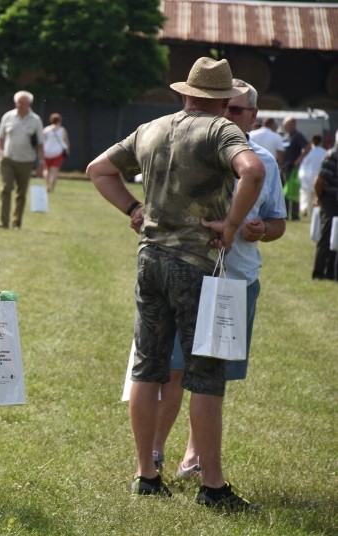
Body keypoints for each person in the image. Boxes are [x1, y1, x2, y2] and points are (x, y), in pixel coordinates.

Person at [86, 57, 264, 511]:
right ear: (225, 101)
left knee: (148, 366)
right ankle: (213, 486)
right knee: (205, 373)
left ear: (184, 94)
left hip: (151, 259)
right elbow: (253, 171)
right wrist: (231, 223)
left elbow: (97, 169)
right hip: (196, 263)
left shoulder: (151, 128)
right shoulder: (224, 131)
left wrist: (132, 209)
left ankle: (146, 474)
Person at [151, 79, 286, 479]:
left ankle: (193, 458)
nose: (227, 116)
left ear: (253, 117)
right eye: (224, 107)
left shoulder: (264, 161)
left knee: (210, 375)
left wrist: (263, 229)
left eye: (237, 111)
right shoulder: (194, 150)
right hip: (186, 275)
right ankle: (154, 454)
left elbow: (279, 222)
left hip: (235, 280)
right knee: (172, 370)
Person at [0, 90, 44, 229]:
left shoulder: (35, 120)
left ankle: (17, 222)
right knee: (6, 188)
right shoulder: (8, 116)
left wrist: (41, 162)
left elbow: (40, 144)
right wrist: (1, 152)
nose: (19, 105)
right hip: (7, 159)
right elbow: (0, 137)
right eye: (17, 102)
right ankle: (4, 222)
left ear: (29, 104)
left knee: (21, 193)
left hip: (26, 161)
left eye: (22, 103)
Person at [312, 139, 338, 280]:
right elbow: (319, 182)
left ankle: (331, 272)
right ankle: (319, 272)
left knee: (336, 239)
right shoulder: (333, 156)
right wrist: (321, 198)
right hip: (330, 201)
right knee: (327, 237)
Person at [281, 116, 311, 221]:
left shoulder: (297, 135)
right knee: (283, 192)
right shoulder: (286, 135)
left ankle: (294, 215)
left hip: (292, 167)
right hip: (284, 167)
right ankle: (284, 215)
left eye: (286, 124)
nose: (284, 126)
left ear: (293, 124)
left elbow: (308, 147)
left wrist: (298, 161)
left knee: (292, 191)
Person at [298, 134, 326, 217]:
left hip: (306, 175)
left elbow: (303, 164)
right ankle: (315, 208)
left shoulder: (307, 151)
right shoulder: (324, 151)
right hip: (319, 176)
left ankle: (304, 208)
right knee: (316, 194)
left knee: (305, 194)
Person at [42, 112, 69, 194]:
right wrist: (67, 150)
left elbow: (42, 141)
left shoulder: (46, 130)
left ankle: (47, 186)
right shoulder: (62, 130)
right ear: (59, 120)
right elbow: (66, 141)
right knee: (54, 171)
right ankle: (52, 188)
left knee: (47, 170)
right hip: (58, 152)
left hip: (47, 152)